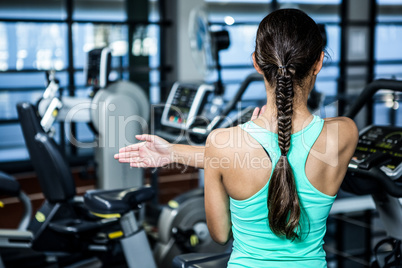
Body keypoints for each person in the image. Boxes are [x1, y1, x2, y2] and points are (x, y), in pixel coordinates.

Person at [115, 8, 358, 267]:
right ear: (319, 62)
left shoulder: (222, 144)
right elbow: (286, 151)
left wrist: (249, 136)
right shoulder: (344, 133)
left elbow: (220, 235)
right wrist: (174, 151)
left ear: (256, 62)